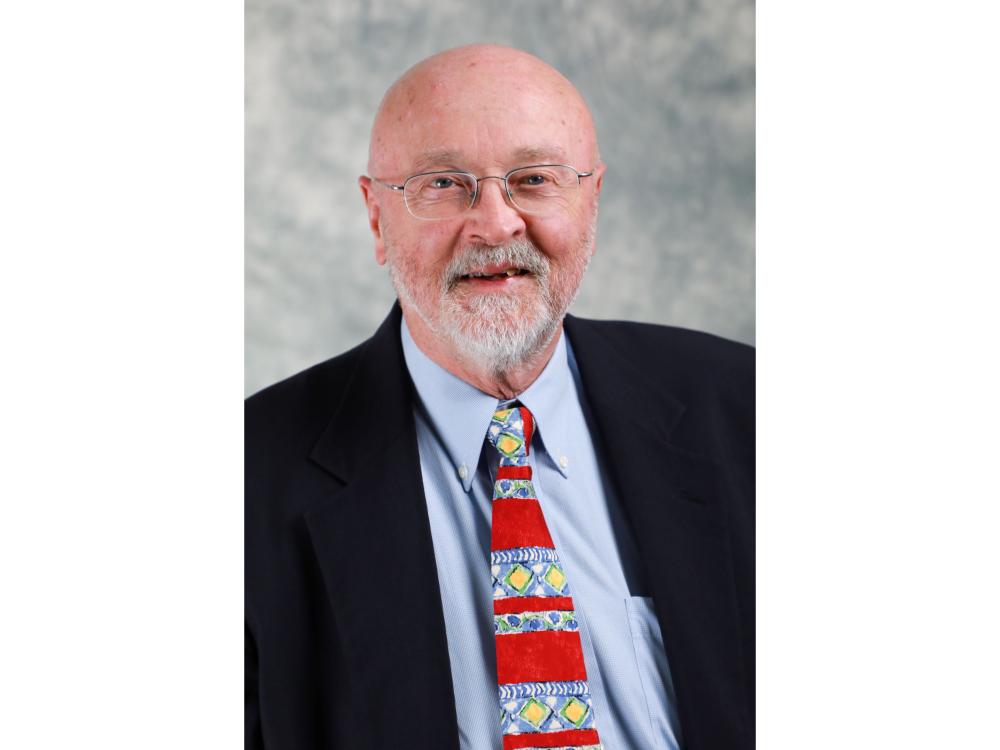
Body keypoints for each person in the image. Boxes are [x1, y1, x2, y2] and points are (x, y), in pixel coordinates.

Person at [246, 44, 753, 750]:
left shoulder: (745, 410)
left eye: (535, 178)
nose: (495, 224)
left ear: (591, 199)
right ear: (374, 217)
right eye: (444, 184)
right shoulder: (249, 476)